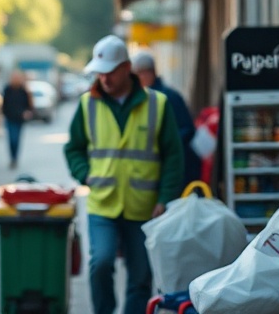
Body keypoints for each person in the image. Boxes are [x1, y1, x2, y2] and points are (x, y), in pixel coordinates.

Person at [65, 35, 184, 314]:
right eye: (99, 73)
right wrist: (84, 174)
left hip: (144, 206)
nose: (103, 79)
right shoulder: (87, 105)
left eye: (109, 72)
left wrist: (166, 197)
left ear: (126, 68)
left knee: (141, 277)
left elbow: (173, 156)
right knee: (101, 263)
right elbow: (74, 149)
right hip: (103, 203)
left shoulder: (158, 104)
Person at [131, 51, 202, 185]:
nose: (139, 78)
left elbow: (188, 129)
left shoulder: (169, 97)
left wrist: (165, 145)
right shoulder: (138, 99)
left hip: (179, 167)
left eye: (141, 73)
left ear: (150, 73)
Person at [1, 71, 34, 169]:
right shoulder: (7, 89)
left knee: (16, 139)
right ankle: (12, 157)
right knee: (11, 139)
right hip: (9, 118)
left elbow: (29, 104)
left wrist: (27, 112)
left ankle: (15, 158)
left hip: (19, 118)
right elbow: (4, 103)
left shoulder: (23, 90)